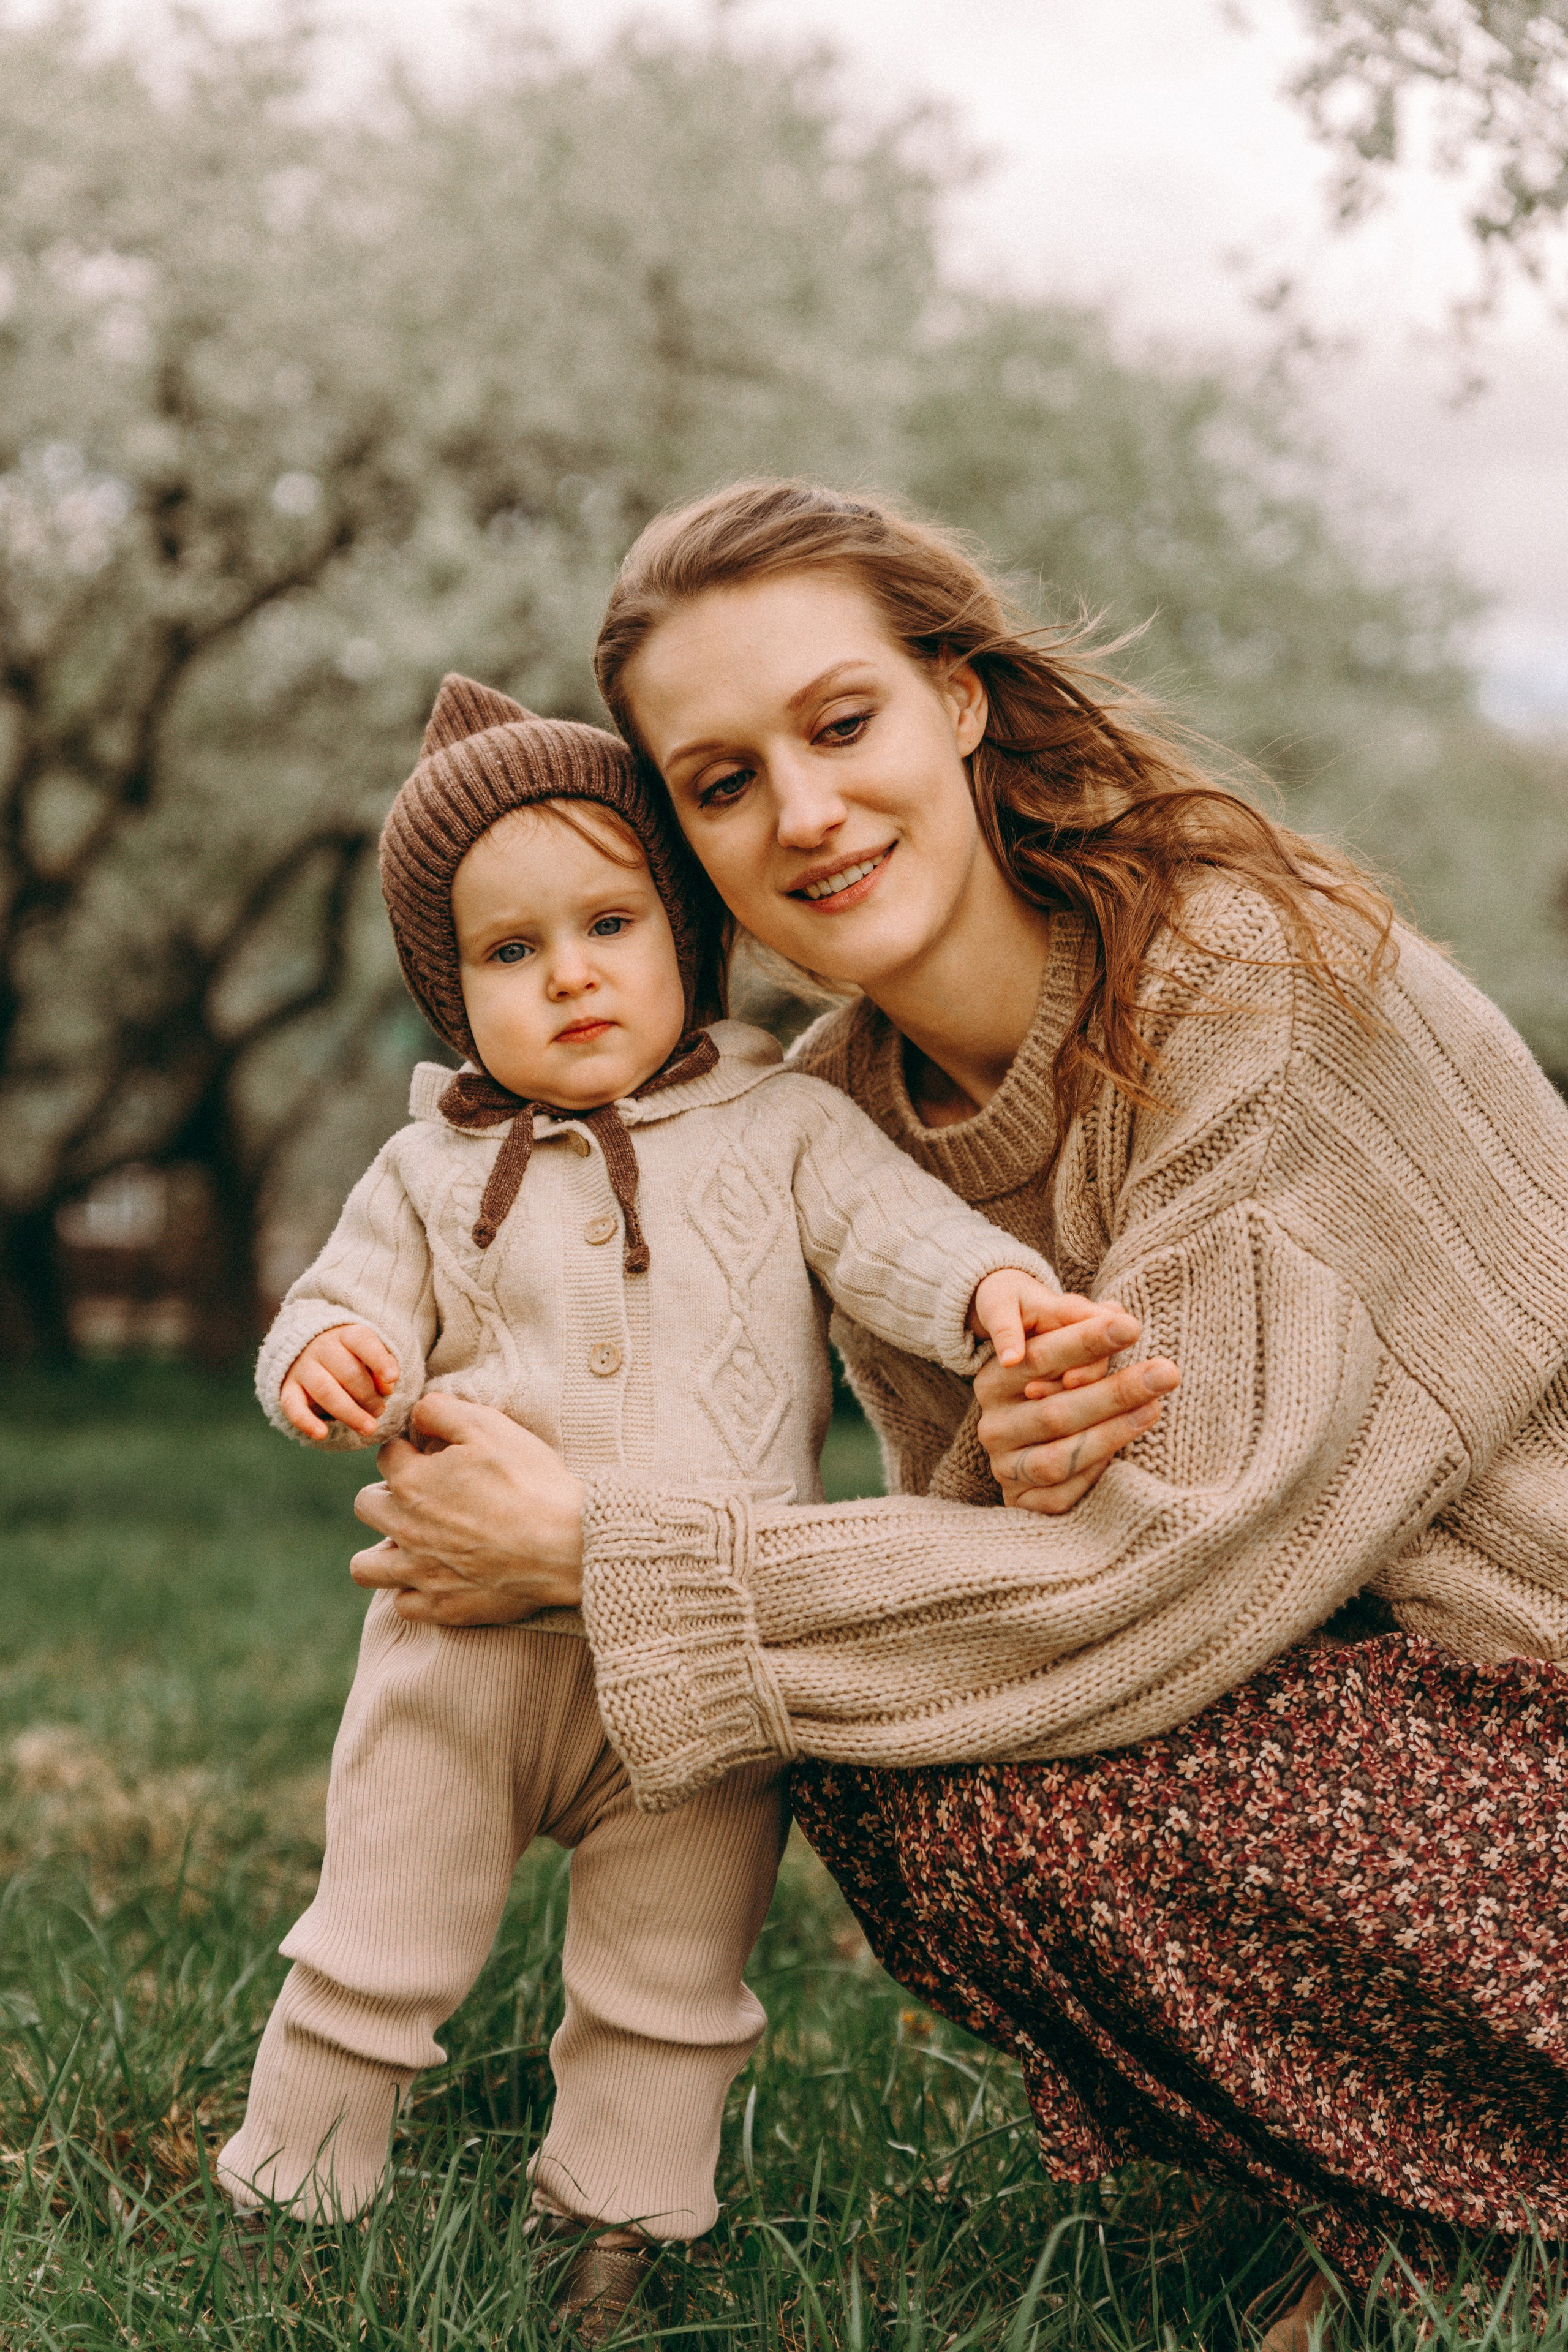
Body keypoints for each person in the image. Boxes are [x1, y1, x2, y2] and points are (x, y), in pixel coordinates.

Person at [351, 481, 1568, 2343]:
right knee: (908, 1757)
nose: (805, 813)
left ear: (961, 697)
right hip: (1356, 1715)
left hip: (1530, 1700)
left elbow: (1172, 1574)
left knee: (946, 1740)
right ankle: (1406, 2194)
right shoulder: (843, 1109)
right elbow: (1003, 1588)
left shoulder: (1248, 984)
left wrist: (601, 1559)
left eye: (842, 724)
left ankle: (1481, 2204)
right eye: (724, 782)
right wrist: (1008, 1471)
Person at [217, 668, 1144, 2335]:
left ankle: (618, 2234)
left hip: (703, 1664)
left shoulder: (784, 1124)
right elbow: (341, 1299)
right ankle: (294, 2195)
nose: (569, 975)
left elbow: (899, 1235)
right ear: (450, 991)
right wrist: (333, 1356)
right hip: (463, 1654)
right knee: (376, 1937)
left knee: (667, 1982)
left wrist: (994, 1292)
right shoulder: (428, 1167)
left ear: (686, 933)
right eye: (509, 952)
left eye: (609, 925)